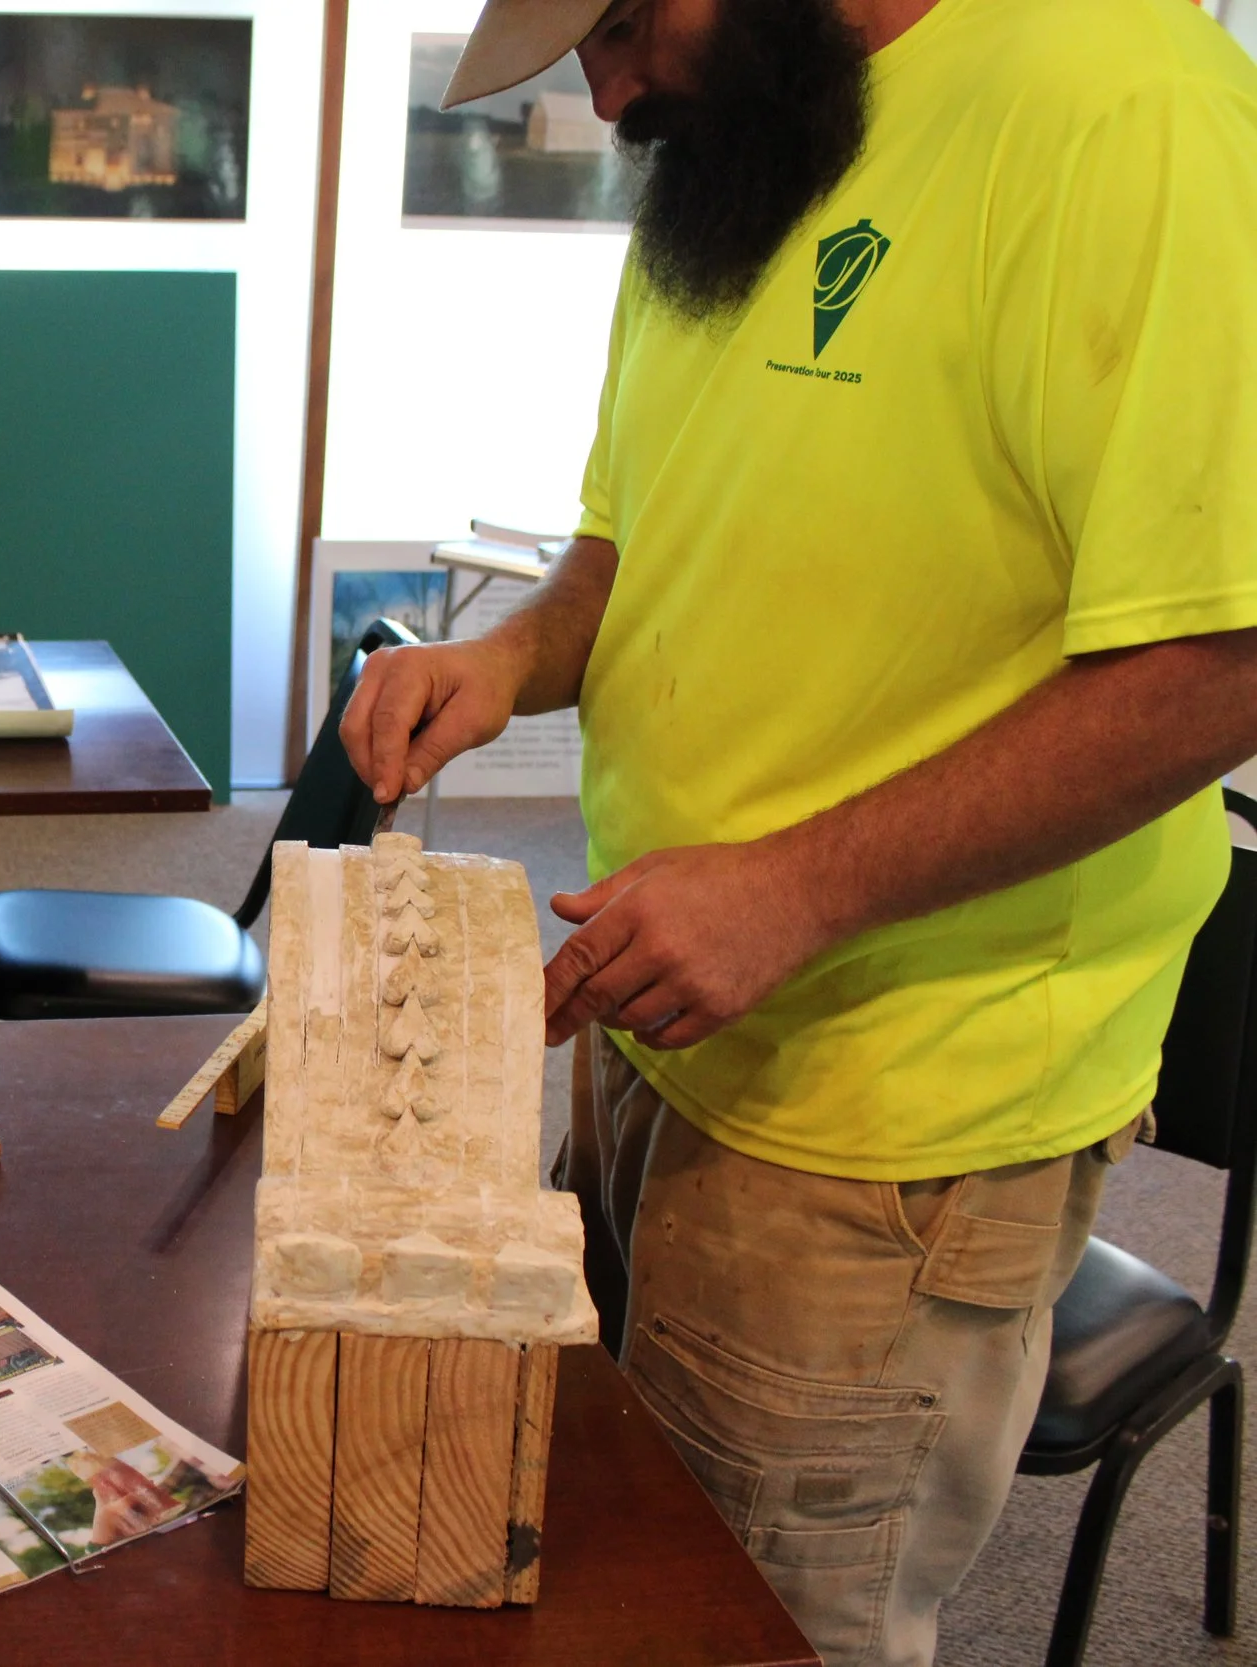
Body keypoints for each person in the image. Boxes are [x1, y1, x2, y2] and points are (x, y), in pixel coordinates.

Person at [341, 0, 1257, 1657]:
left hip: (889, 1121)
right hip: (659, 1029)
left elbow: (1217, 662)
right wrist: (505, 655)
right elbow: (625, 542)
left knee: (751, 1626)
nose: (605, 92)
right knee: (599, 1563)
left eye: (619, 25)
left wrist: (794, 891)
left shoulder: (1130, 106)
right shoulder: (737, 147)